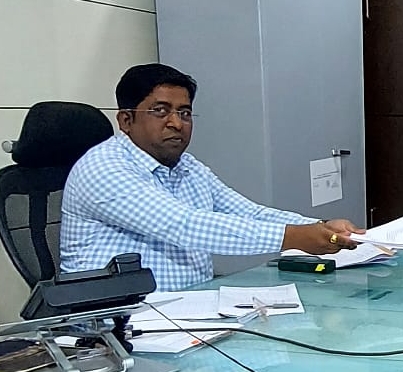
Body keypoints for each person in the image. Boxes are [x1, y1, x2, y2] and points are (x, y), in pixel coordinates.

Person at [61, 63, 361, 290]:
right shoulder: (103, 168)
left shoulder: (187, 166)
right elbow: (184, 226)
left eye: (184, 113)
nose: (176, 123)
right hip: (117, 324)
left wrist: (317, 226)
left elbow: (248, 212)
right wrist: (295, 238)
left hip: (188, 311)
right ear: (126, 120)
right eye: (161, 111)